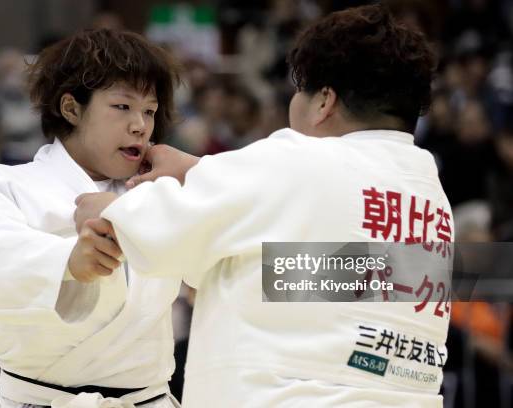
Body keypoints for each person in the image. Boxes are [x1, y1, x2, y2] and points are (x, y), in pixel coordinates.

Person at [75, 4, 454, 407]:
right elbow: (313, 277)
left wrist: (108, 209)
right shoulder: (428, 193)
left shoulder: (296, 158)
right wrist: (200, 172)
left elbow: (156, 233)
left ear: (324, 101)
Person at [0, 28, 182, 408]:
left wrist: (200, 174)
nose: (141, 125)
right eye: (123, 107)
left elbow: (267, 258)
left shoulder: (164, 195)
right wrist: (67, 263)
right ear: (71, 108)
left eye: (149, 111)